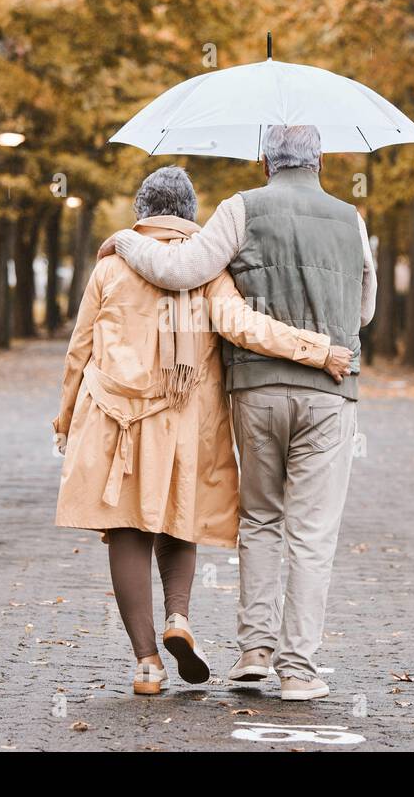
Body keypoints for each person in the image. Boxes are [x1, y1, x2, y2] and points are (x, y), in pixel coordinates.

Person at [53, 165, 352, 696]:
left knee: (127, 529)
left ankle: (146, 662)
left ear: (142, 212)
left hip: (118, 421)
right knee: (177, 520)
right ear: (191, 214)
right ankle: (179, 617)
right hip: (185, 425)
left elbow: (81, 349)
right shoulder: (212, 272)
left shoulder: (112, 269)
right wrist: (317, 349)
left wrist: (64, 417)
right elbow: (247, 328)